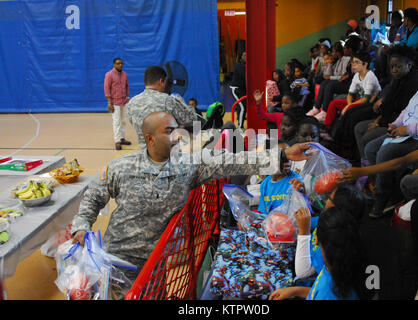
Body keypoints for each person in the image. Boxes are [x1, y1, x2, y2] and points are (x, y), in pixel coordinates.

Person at [70, 111, 313, 297]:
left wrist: (281, 156)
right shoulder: (121, 167)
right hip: (116, 259)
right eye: (168, 131)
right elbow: (94, 196)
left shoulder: (187, 166)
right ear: (149, 139)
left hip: (155, 264)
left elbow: (234, 161)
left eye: (177, 129)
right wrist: (81, 226)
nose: (177, 135)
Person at [361, 46, 418, 217]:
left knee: (385, 151)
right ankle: (387, 186)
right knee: (371, 147)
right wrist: (396, 124)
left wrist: (408, 129)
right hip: (404, 130)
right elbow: (408, 108)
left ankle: (384, 197)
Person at [269, 207, 363, 300]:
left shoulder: (329, 284)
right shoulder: (335, 265)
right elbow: (317, 290)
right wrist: (294, 291)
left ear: (316, 241)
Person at [352, 45, 418, 161]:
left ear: (409, 65)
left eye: (397, 66)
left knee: (367, 138)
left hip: (399, 124)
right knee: (358, 127)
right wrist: (379, 119)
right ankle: (364, 162)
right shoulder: (397, 79)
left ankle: (371, 168)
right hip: (387, 119)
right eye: (391, 67)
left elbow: (404, 112)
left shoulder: (415, 83)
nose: (394, 70)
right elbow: (389, 104)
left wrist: (380, 122)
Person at [126, 65, 199, 150]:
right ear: (161, 81)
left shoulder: (131, 103)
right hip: (165, 154)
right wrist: (182, 103)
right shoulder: (167, 100)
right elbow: (191, 119)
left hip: (144, 153)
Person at [323, 50, 381, 131]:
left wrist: (349, 106)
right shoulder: (356, 75)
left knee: (349, 111)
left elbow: (365, 99)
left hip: (370, 103)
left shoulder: (370, 76)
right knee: (333, 104)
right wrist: (349, 104)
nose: (353, 65)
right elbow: (350, 94)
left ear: (365, 64)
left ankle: (340, 132)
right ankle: (327, 128)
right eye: (353, 62)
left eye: (356, 62)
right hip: (359, 100)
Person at [257, 141, 305, 215]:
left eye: (289, 154)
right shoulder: (265, 184)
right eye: (281, 156)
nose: (287, 159)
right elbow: (263, 214)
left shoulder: (297, 182)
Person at [307, 41, 352, 119]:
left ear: (338, 52)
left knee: (329, 85)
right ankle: (316, 108)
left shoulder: (346, 59)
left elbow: (343, 76)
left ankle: (325, 111)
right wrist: (330, 63)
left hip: (345, 83)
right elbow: (327, 75)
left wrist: (330, 78)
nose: (333, 54)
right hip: (337, 81)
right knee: (324, 83)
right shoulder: (337, 61)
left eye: (334, 52)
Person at [104, 58, 131, 150]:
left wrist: (127, 97)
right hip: (115, 102)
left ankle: (122, 138)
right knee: (116, 122)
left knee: (123, 120)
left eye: (121, 63)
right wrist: (109, 103)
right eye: (118, 63)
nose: (120, 65)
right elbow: (107, 89)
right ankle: (117, 141)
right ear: (114, 65)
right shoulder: (109, 75)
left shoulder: (124, 74)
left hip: (124, 101)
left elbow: (127, 86)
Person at [230, 51, 247, 128]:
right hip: (236, 89)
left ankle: (239, 117)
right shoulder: (239, 66)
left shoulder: (245, 65)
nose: (246, 58)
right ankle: (240, 127)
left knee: (242, 106)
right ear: (242, 57)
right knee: (242, 107)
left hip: (242, 89)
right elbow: (245, 76)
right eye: (245, 56)